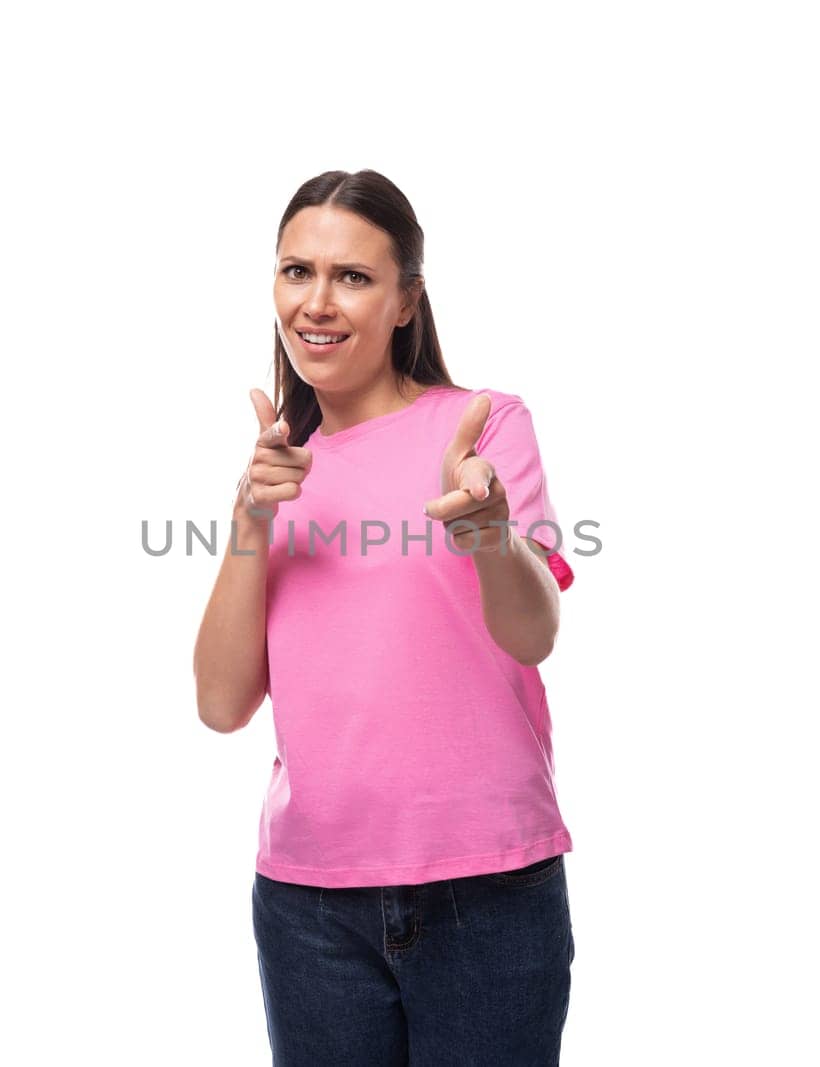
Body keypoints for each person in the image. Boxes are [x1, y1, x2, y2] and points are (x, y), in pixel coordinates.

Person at [193, 169, 577, 1066]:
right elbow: (220, 702)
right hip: (310, 907)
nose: (317, 303)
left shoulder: (482, 430)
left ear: (407, 300)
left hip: (488, 891)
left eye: (353, 277)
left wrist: (487, 533)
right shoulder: (276, 476)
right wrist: (250, 518)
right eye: (297, 272)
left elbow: (535, 634)